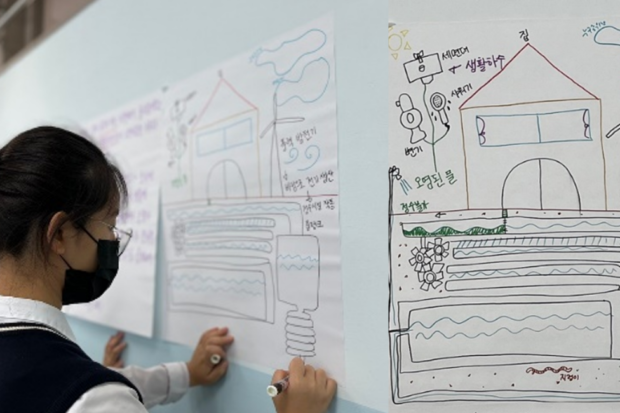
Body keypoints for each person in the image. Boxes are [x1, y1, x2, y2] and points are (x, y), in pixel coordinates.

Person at [0, 126, 336, 413]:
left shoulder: (50, 370)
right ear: (60, 234)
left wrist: (186, 373)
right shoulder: (91, 396)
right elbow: (92, 397)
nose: (112, 240)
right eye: (109, 225)